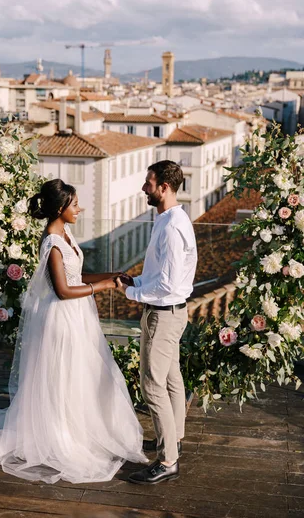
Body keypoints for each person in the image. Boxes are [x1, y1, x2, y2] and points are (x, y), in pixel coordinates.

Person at [0, 178, 147, 484]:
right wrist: (103, 286)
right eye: (75, 204)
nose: (80, 208)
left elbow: (77, 274)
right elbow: (64, 290)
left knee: (79, 375)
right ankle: (60, 436)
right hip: (62, 318)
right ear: (61, 208)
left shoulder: (66, 232)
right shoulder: (52, 241)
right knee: (65, 375)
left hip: (77, 315)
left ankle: (78, 427)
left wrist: (112, 274)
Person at [117, 160, 197, 485]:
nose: (143, 188)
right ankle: (172, 440)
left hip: (163, 315)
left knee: (152, 384)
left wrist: (130, 293)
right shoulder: (169, 219)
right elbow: (161, 274)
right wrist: (136, 280)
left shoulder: (172, 226)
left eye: (148, 182)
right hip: (172, 312)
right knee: (172, 378)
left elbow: (166, 284)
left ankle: (167, 460)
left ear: (164, 187)